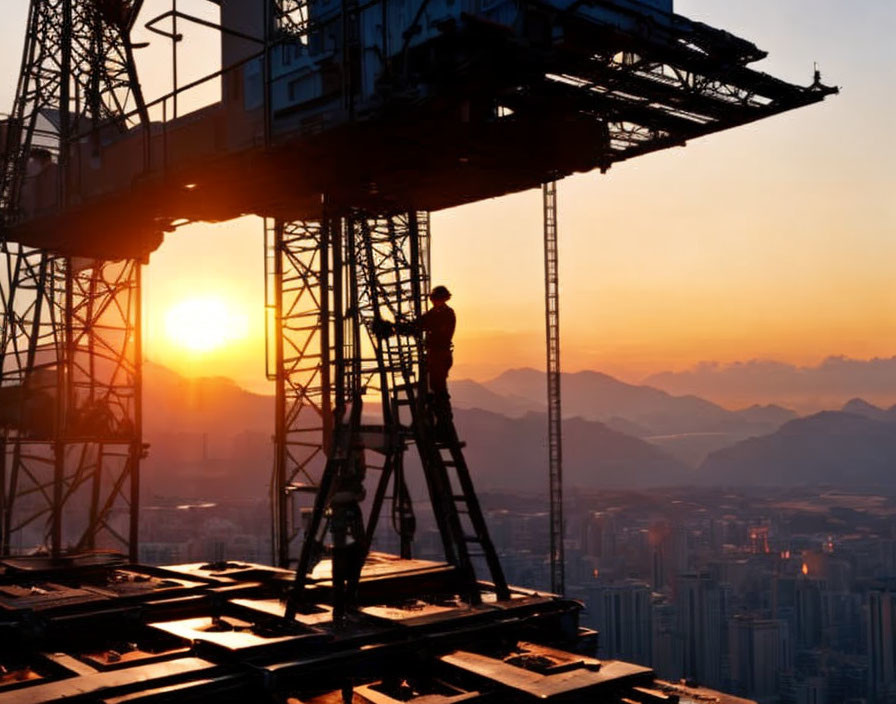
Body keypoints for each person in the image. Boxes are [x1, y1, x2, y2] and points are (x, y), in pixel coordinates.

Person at [376, 285, 456, 437]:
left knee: (438, 390)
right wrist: (398, 328)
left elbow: (420, 325)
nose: (434, 301)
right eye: (434, 299)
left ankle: (443, 424)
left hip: (440, 356)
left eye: (436, 299)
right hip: (436, 356)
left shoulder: (444, 314)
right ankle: (438, 423)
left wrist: (397, 328)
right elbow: (419, 324)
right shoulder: (438, 313)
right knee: (434, 389)